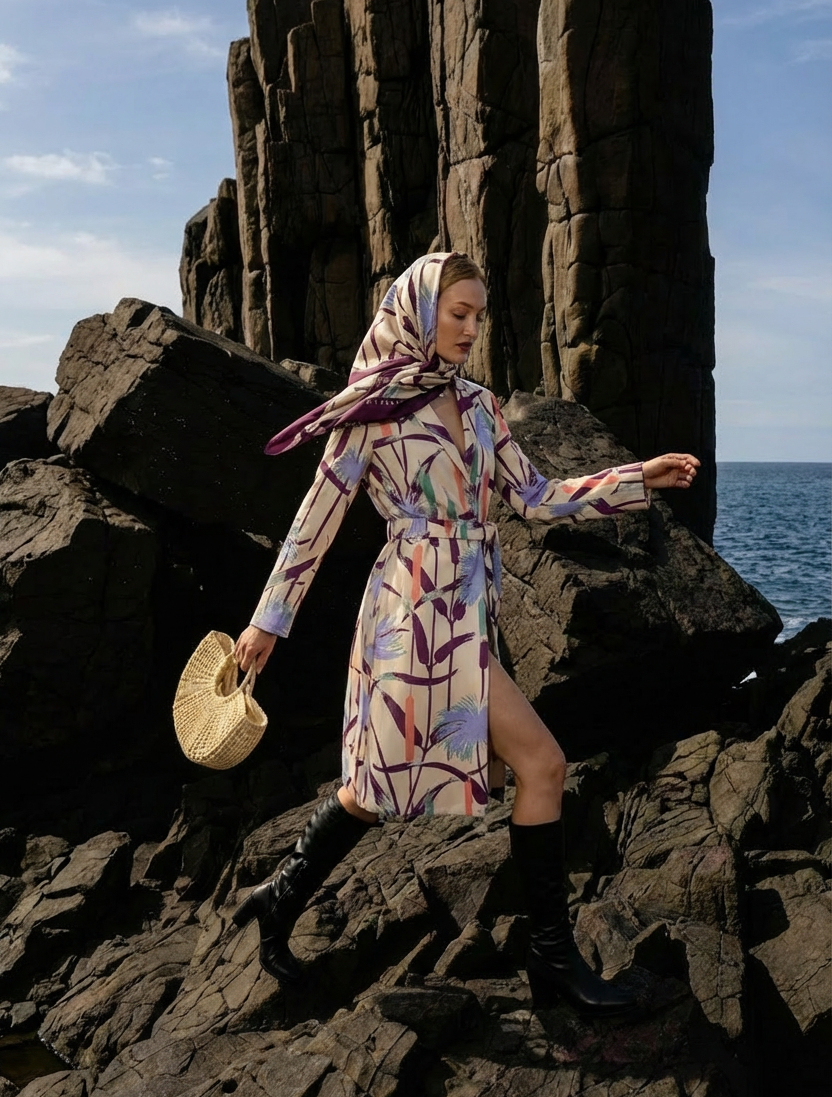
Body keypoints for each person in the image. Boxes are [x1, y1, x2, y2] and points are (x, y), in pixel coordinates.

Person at [232, 252, 699, 1016]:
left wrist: (633, 476)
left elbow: (538, 498)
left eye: (479, 316)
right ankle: (549, 964)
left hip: (468, 612)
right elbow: (313, 522)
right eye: (458, 313)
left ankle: (280, 897)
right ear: (419, 310)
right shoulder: (370, 409)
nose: (470, 329)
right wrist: (265, 622)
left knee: (399, 784)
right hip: (409, 616)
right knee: (493, 770)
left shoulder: (479, 405)